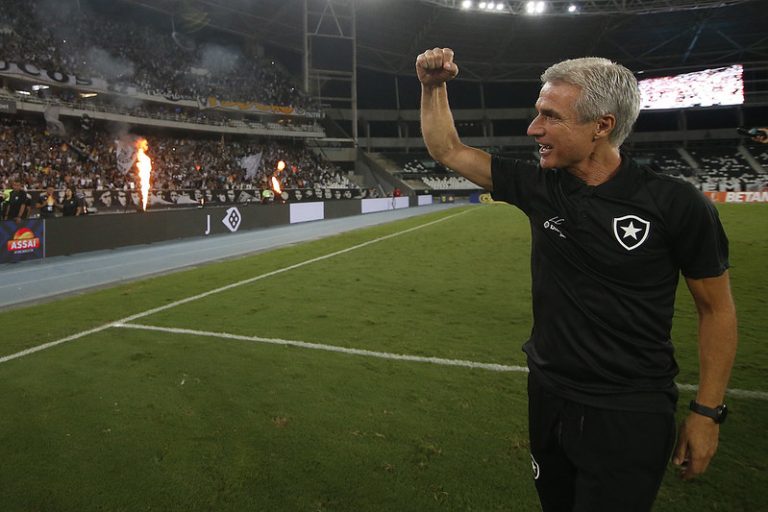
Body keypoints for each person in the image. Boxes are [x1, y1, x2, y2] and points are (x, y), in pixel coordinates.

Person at [417, 48, 737, 512]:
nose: (534, 130)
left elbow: (717, 309)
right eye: (536, 114)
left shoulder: (676, 204)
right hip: (547, 394)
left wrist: (708, 412)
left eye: (550, 117)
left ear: (601, 126)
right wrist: (432, 86)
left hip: (629, 409)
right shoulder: (540, 187)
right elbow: (447, 148)